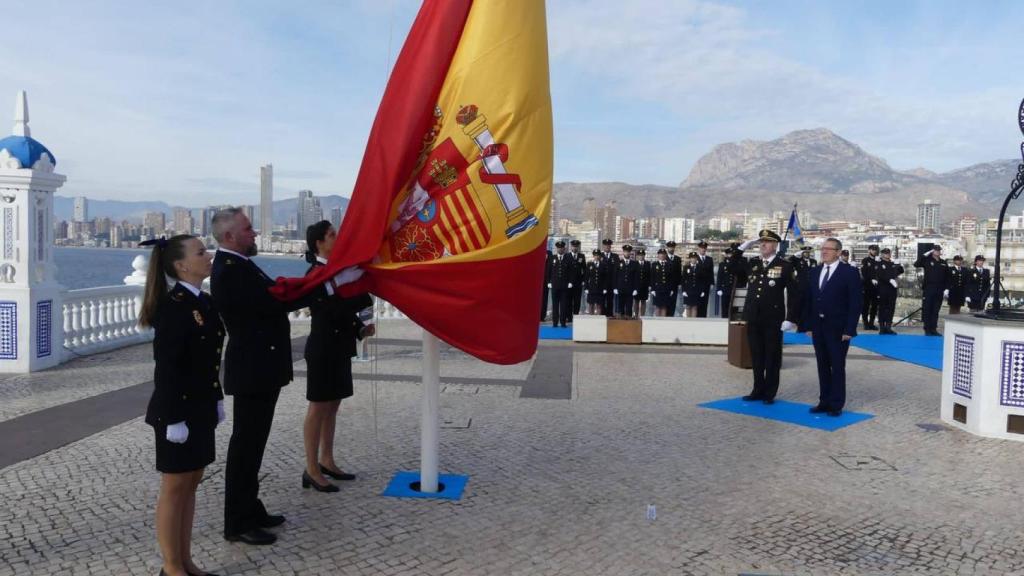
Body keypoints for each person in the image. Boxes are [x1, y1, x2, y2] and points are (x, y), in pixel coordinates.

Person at [211, 207, 354, 546]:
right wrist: (319, 285)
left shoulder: (241, 265)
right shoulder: (229, 269)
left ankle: (251, 508)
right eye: (248, 229)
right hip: (252, 369)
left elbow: (275, 294)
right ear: (230, 236)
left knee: (254, 443)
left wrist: (316, 283)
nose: (254, 233)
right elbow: (272, 302)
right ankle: (237, 522)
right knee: (246, 446)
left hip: (260, 367)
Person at [140, 235, 224, 576]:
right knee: (174, 488)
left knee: (191, 484)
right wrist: (174, 418)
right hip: (178, 410)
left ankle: (186, 561)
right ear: (181, 265)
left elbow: (209, 360)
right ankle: (171, 566)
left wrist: (216, 398)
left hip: (200, 406)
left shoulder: (204, 302)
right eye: (200, 252)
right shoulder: (173, 307)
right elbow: (168, 368)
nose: (209, 255)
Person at [301, 221, 374, 494]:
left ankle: (326, 460)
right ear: (319, 243)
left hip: (339, 347)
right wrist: (362, 297)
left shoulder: (337, 271)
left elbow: (340, 309)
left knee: (332, 406)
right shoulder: (315, 274)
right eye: (332, 235)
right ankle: (311, 468)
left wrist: (359, 329)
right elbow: (330, 310)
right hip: (322, 349)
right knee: (318, 408)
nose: (338, 237)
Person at [731, 229, 800, 404]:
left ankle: (770, 392)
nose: (762, 244)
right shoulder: (753, 263)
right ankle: (757, 389)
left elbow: (794, 294)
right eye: (761, 241)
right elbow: (732, 268)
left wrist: (790, 318)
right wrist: (741, 248)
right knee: (756, 355)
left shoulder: (784, 265)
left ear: (775, 245)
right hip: (753, 316)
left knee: (772, 356)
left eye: (767, 242)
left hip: (773, 318)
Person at [799, 238, 862, 417]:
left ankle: (836, 404)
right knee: (822, 365)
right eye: (822, 248)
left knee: (837, 366)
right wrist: (807, 325)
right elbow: (809, 300)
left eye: (828, 249)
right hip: (818, 327)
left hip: (838, 329)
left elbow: (855, 302)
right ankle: (824, 401)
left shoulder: (849, 272)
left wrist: (850, 329)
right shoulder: (815, 271)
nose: (824, 251)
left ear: (838, 252)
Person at [914, 244, 949, 336]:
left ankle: (933, 329)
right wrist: (925, 254)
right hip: (929, 288)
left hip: (939, 289)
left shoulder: (943, 262)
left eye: (939, 250)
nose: (938, 252)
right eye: (936, 250)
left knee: (935, 310)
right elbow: (916, 264)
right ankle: (927, 329)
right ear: (932, 251)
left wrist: (946, 288)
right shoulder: (927, 260)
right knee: (927, 309)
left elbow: (947, 277)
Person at [547, 240, 576, 327]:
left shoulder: (568, 258)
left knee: (564, 305)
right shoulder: (552, 258)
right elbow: (548, 271)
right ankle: (555, 322)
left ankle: (563, 322)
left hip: (564, 286)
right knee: (555, 305)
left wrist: (570, 282)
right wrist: (548, 282)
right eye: (558, 248)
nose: (560, 249)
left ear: (564, 249)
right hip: (555, 285)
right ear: (557, 249)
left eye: (561, 248)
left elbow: (572, 272)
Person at [875, 248, 904, 335]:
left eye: (889, 253)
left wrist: (898, 265)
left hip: (892, 289)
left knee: (891, 308)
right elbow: (880, 275)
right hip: (883, 289)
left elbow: (900, 271)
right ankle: (882, 327)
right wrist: (889, 280)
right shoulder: (879, 263)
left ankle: (888, 327)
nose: (888, 254)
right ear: (882, 254)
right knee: (882, 308)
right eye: (886, 253)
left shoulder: (892, 264)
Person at [613, 244, 638, 318]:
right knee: (620, 307)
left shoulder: (634, 264)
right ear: (623, 252)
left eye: (628, 252)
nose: (627, 253)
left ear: (630, 253)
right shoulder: (618, 262)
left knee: (629, 307)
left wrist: (635, 289)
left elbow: (636, 278)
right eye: (625, 251)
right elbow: (615, 276)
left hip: (630, 289)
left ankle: (628, 320)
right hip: (620, 288)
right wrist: (615, 287)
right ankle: (621, 321)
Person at [860, 244, 881, 330]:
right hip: (867, 286)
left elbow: (880, 273)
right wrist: (871, 279)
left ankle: (871, 323)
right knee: (866, 305)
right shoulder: (865, 260)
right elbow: (864, 272)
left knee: (874, 306)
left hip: (876, 287)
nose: (874, 251)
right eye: (872, 249)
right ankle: (865, 323)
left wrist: (878, 263)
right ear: (869, 250)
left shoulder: (878, 260)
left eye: (875, 250)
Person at [650, 248, 675, 316]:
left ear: (665, 255)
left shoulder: (669, 264)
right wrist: (653, 289)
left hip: (666, 289)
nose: (662, 255)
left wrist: (671, 289)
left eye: (663, 254)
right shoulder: (654, 264)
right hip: (657, 289)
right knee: (657, 306)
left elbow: (671, 278)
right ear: (658, 255)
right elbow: (652, 277)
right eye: (660, 254)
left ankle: (663, 321)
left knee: (664, 306)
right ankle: (657, 321)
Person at [599, 239, 619, 317]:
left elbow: (617, 271)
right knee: (602, 301)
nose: (607, 247)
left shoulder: (615, 256)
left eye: (608, 245)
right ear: (603, 246)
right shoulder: (599, 255)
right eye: (605, 245)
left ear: (610, 246)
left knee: (610, 301)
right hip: (601, 283)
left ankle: (610, 316)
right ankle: (602, 316)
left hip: (611, 283)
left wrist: (616, 285)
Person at [694, 240, 715, 317]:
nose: (703, 249)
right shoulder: (694, 258)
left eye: (704, 248)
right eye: (702, 248)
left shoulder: (709, 259)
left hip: (706, 284)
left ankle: (703, 318)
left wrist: (712, 283)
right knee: (696, 303)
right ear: (699, 248)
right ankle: (696, 318)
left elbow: (711, 272)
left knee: (705, 302)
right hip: (696, 285)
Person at [584, 250, 606, 315]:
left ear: (600, 256)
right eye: (595, 255)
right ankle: (591, 319)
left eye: (598, 255)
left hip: (600, 288)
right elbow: (586, 277)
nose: (597, 257)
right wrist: (586, 287)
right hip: (591, 288)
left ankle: (598, 319)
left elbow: (605, 278)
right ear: (593, 256)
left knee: (599, 305)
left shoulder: (603, 265)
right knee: (591, 304)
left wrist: (605, 288)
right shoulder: (589, 264)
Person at [716, 247, 736, 318]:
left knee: (733, 307)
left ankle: (732, 321)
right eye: (729, 254)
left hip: (733, 288)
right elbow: (719, 277)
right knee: (724, 307)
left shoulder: (735, 264)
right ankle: (724, 320)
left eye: (731, 254)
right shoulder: (722, 264)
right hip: (724, 288)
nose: (730, 255)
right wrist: (718, 289)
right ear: (726, 255)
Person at [569, 239, 586, 319]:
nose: (575, 248)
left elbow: (584, 269)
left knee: (577, 300)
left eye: (576, 246)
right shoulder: (567, 256)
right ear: (571, 247)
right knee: (568, 300)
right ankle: (569, 316)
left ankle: (575, 316)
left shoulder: (581, 256)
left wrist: (583, 280)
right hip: (569, 283)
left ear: (578, 247)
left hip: (578, 282)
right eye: (573, 246)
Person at [680, 252, 701, 318]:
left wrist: (702, 290)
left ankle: (694, 321)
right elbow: (683, 280)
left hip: (696, 290)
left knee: (695, 307)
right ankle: (688, 321)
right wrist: (683, 290)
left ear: (697, 259)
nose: (693, 259)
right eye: (692, 258)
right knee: (688, 306)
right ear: (690, 259)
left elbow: (702, 280)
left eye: (695, 258)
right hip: (688, 290)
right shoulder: (686, 267)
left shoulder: (700, 267)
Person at [665, 241, 682, 316]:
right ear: (667, 248)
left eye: (672, 247)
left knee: (673, 302)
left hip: (674, 284)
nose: (671, 249)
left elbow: (679, 272)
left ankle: (671, 317)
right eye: (670, 247)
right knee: (665, 302)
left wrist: (679, 283)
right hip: (665, 284)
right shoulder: (664, 258)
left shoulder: (677, 259)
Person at [634, 248, 651, 318]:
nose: (641, 256)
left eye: (642, 255)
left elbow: (650, 275)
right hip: (636, 286)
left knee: (643, 301)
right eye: (640, 255)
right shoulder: (634, 264)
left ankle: (642, 316)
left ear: (644, 256)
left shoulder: (647, 264)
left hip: (645, 286)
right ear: (637, 256)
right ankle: (636, 316)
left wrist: (649, 285)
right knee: (636, 301)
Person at [540, 248, 552, 322]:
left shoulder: (549, 253)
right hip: (537, 281)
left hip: (545, 281)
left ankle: (542, 316)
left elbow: (551, 267)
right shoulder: (537, 252)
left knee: (544, 299)